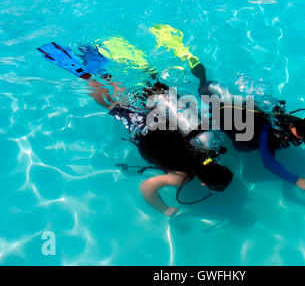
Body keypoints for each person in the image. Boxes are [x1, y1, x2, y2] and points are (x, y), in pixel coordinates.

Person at [37, 40, 233, 217]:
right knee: (112, 105)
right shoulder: (178, 178)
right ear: (203, 183)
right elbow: (147, 188)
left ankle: (97, 60)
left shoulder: (210, 147)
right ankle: (86, 74)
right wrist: (165, 209)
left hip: (158, 120)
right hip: (141, 129)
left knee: (123, 92)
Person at [189, 62, 305, 191]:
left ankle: (205, 85)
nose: (291, 138)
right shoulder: (267, 129)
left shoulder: (298, 124)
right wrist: (297, 180)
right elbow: (268, 162)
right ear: (293, 126)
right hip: (228, 121)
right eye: (292, 136)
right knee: (211, 108)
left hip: (240, 114)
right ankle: (201, 78)